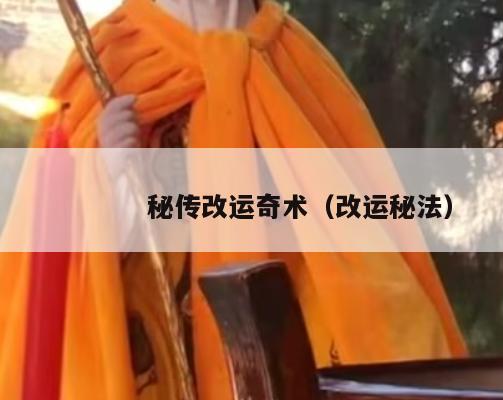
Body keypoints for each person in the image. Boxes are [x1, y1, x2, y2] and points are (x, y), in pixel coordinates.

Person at [0, 1, 467, 399]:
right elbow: (57, 268)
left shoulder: (300, 65)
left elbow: (370, 256)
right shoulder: (112, 60)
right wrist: (106, 176)